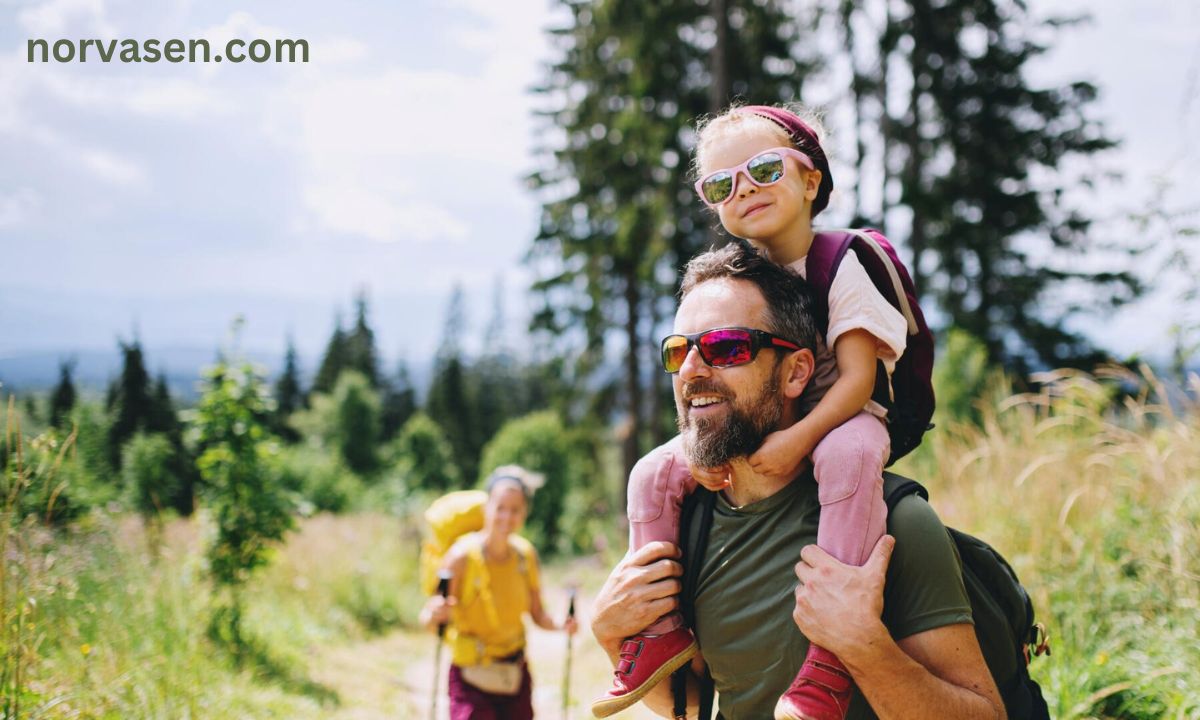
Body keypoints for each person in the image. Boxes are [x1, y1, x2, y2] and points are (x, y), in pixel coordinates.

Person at [593, 103, 922, 720]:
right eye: (721, 183)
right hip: (783, 418)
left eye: (764, 169)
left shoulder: (845, 261)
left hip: (848, 416)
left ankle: (829, 656)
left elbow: (856, 380)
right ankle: (656, 628)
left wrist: (796, 441)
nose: (743, 188)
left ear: (810, 180)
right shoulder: (753, 277)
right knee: (651, 473)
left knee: (847, 453)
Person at [591, 240, 1004, 720]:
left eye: (727, 347)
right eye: (679, 351)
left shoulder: (898, 525)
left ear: (796, 373)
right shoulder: (691, 524)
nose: (691, 371)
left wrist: (862, 645)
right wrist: (610, 635)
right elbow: (692, 701)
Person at [420, 466, 578, 720]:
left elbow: (537, 614)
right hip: (470, 678)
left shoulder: (525, 556)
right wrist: (433, 614)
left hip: (514, 677)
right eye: (500, 507)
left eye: (515, 509)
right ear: (487, 508)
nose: (507, 516)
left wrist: (561, 625)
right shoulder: (460, 557)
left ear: (524, 513)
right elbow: (430, 617)